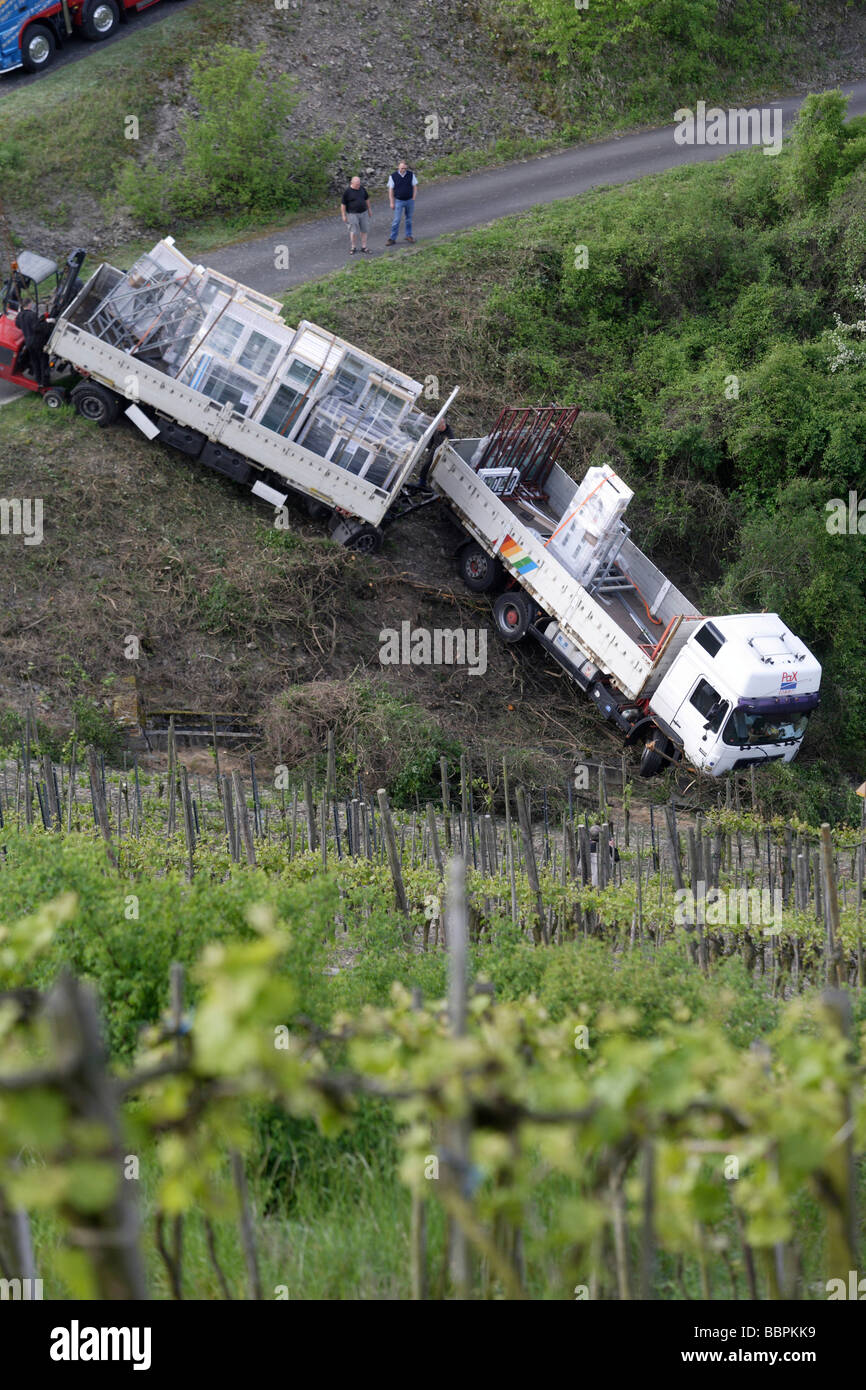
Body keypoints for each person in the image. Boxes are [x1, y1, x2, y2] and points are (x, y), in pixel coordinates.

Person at [15, 298, 54, 388]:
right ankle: (45, 382)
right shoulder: (32, 315)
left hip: (28, 342)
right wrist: (47, 323)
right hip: (37, 342)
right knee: (43, 360)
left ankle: (39, 381)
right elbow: (37, 328)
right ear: (29, 304)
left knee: (35, 362)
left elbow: (17, 325)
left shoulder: (20, 316)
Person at [386, 160, 418, 245]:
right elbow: (390, 190)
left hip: (409, 200)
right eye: (401, 168)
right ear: (398, 167)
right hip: (399, 201)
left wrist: (413, 198)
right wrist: (392, 202)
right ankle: (392, 238)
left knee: (409, 219)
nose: (403, 170)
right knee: (396, 220)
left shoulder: (411, 175)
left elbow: (414, 186)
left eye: (404, 168)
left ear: (406, 168)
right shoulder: (393, 176)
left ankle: (409, 235)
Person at [417, 416, 453, 488]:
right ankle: (421, 483)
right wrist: (428, 448)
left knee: (436, 471)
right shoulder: (437, 430)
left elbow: (449, 447)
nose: (436, 428)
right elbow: (432, 439)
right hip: (433, 450)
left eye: (437, 426)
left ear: (442, 425)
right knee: (426, 466)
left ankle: (432, 485)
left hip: (441, 454)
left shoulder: (449, 436)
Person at [341, 176, 372, 255]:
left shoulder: (362, 189)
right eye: (357, 184)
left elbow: (367, 199)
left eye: (359, 184)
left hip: (363, 213)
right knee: (353, 231)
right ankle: (353, 247)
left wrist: (369, 210)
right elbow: (343, 205)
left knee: (364, 230)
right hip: (352, 214)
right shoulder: (347, 192)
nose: (358, 186)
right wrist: (344, 215)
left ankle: (364, 246)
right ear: (352, 183)